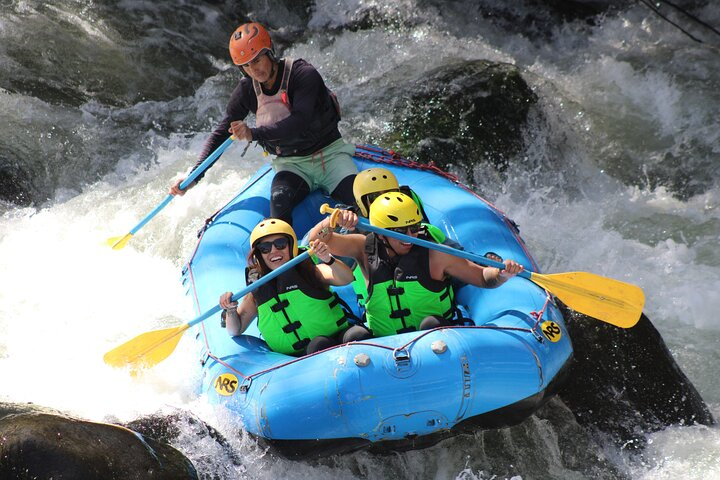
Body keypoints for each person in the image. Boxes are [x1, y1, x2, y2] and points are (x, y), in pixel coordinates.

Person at [169, 22, 357, 225]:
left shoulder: (303, 75)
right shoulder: (246, 90)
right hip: (292, 165)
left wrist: (254, 133)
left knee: (361, 202)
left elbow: (299, 122)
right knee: (279, 204)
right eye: (246, 65)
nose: (254, 70)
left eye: (257, 60)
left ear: (270, 52)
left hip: (330, 155)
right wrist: (194, 177)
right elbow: (223, 132)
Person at [308, 192, 523, 337]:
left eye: (414, 228)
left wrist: (503, 274)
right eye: (401, 231)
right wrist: (333, 220)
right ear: (381, 234)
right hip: (382, 344)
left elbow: (482, 277)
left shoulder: (435, 254)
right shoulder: (364, 248)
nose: (409, 237)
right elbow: (317, 240)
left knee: (431, 324)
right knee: (354, 336)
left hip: (434, 338)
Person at [219, 218, 372, 356]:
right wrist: (230, 310)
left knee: (358, 335)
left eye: (280, 244)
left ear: (291, 246)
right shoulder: (257, 290)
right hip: (299, 360)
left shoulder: (309, 271)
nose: (273, 251)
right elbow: (235, 330)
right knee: (319, 345)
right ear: (259, 254)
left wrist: (327, 259)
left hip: (338, 337)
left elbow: (346, 278)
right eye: (265, 248)